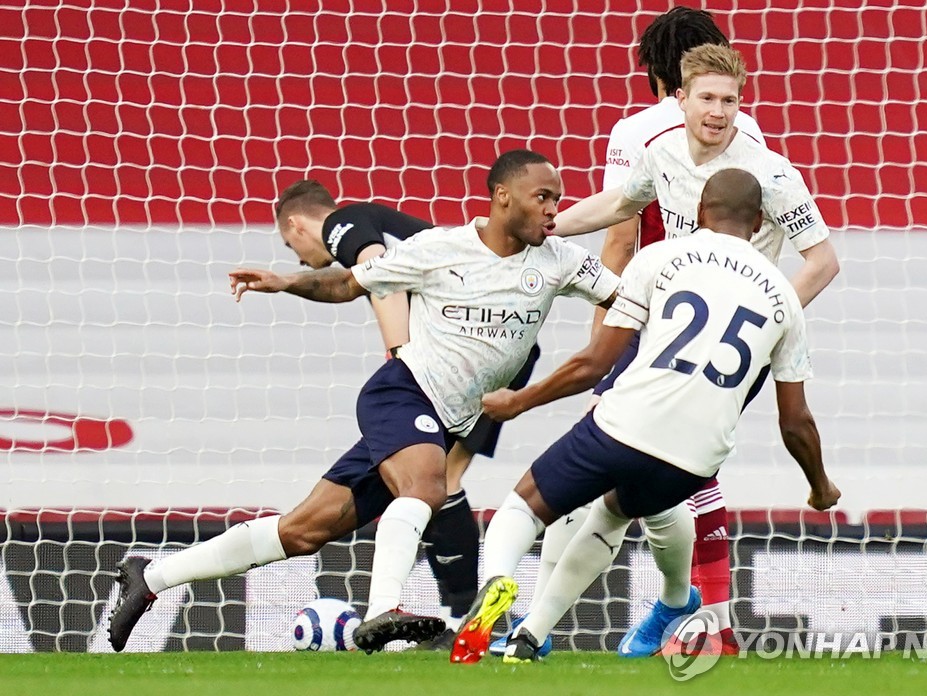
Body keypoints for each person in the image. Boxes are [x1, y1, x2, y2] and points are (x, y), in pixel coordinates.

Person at [107, 149, 620, 654]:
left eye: (557, 198)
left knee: (303, 530)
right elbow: (351, 283)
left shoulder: (562, 263)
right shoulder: (441, 248)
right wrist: (287, 281)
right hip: (401, 392)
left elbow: (630, 301)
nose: (555, 209)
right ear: (502, 197)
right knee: (427, 485)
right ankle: (381, 610)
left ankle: (151, 575)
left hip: (445, 419)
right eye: (543, 197)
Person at [453, 169, 840, 664]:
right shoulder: (786, 298)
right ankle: (533, 633)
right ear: (760, 221)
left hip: (625, 425)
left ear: (699, 212)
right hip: (695, 461)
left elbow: (595, 362)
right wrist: (820, 485)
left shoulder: (661, 257)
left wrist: (518, 401)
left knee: (526, 506)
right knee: (616, 512)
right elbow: (796, 422)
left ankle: (498, 582)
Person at [540, 40, 841, 656]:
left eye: (730, 100)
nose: (720, 111)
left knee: (654, 464)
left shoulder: (767, 171)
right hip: (669, 330)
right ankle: (688, 610)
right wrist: (550, 226)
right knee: (655, 475)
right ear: (680, 99)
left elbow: (824, 261)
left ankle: (680, 614)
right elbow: (621, 204)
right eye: (708, 97)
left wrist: (764, 315)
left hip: (730, 343)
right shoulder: (662, 153)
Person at [507, 7, 770, 659]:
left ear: (654, 69)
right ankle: (703, 615)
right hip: (740, 318)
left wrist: (604, 340)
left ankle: (538, 624)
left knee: (599, 470)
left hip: (661, 319)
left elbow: (621, 234)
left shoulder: (638, 130)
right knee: (691, 467)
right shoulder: (752, 131)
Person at [271, 185, 543, 645]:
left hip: (468, 357)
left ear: (297, 225)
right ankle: (466, 613)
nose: (297, 257)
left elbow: (379, 270)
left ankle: (462, 615)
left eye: (288, 244)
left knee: (440, 481)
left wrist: (400, 354)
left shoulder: (342, 223)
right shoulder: (383, 219)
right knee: (444, 478)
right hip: (505, 345)